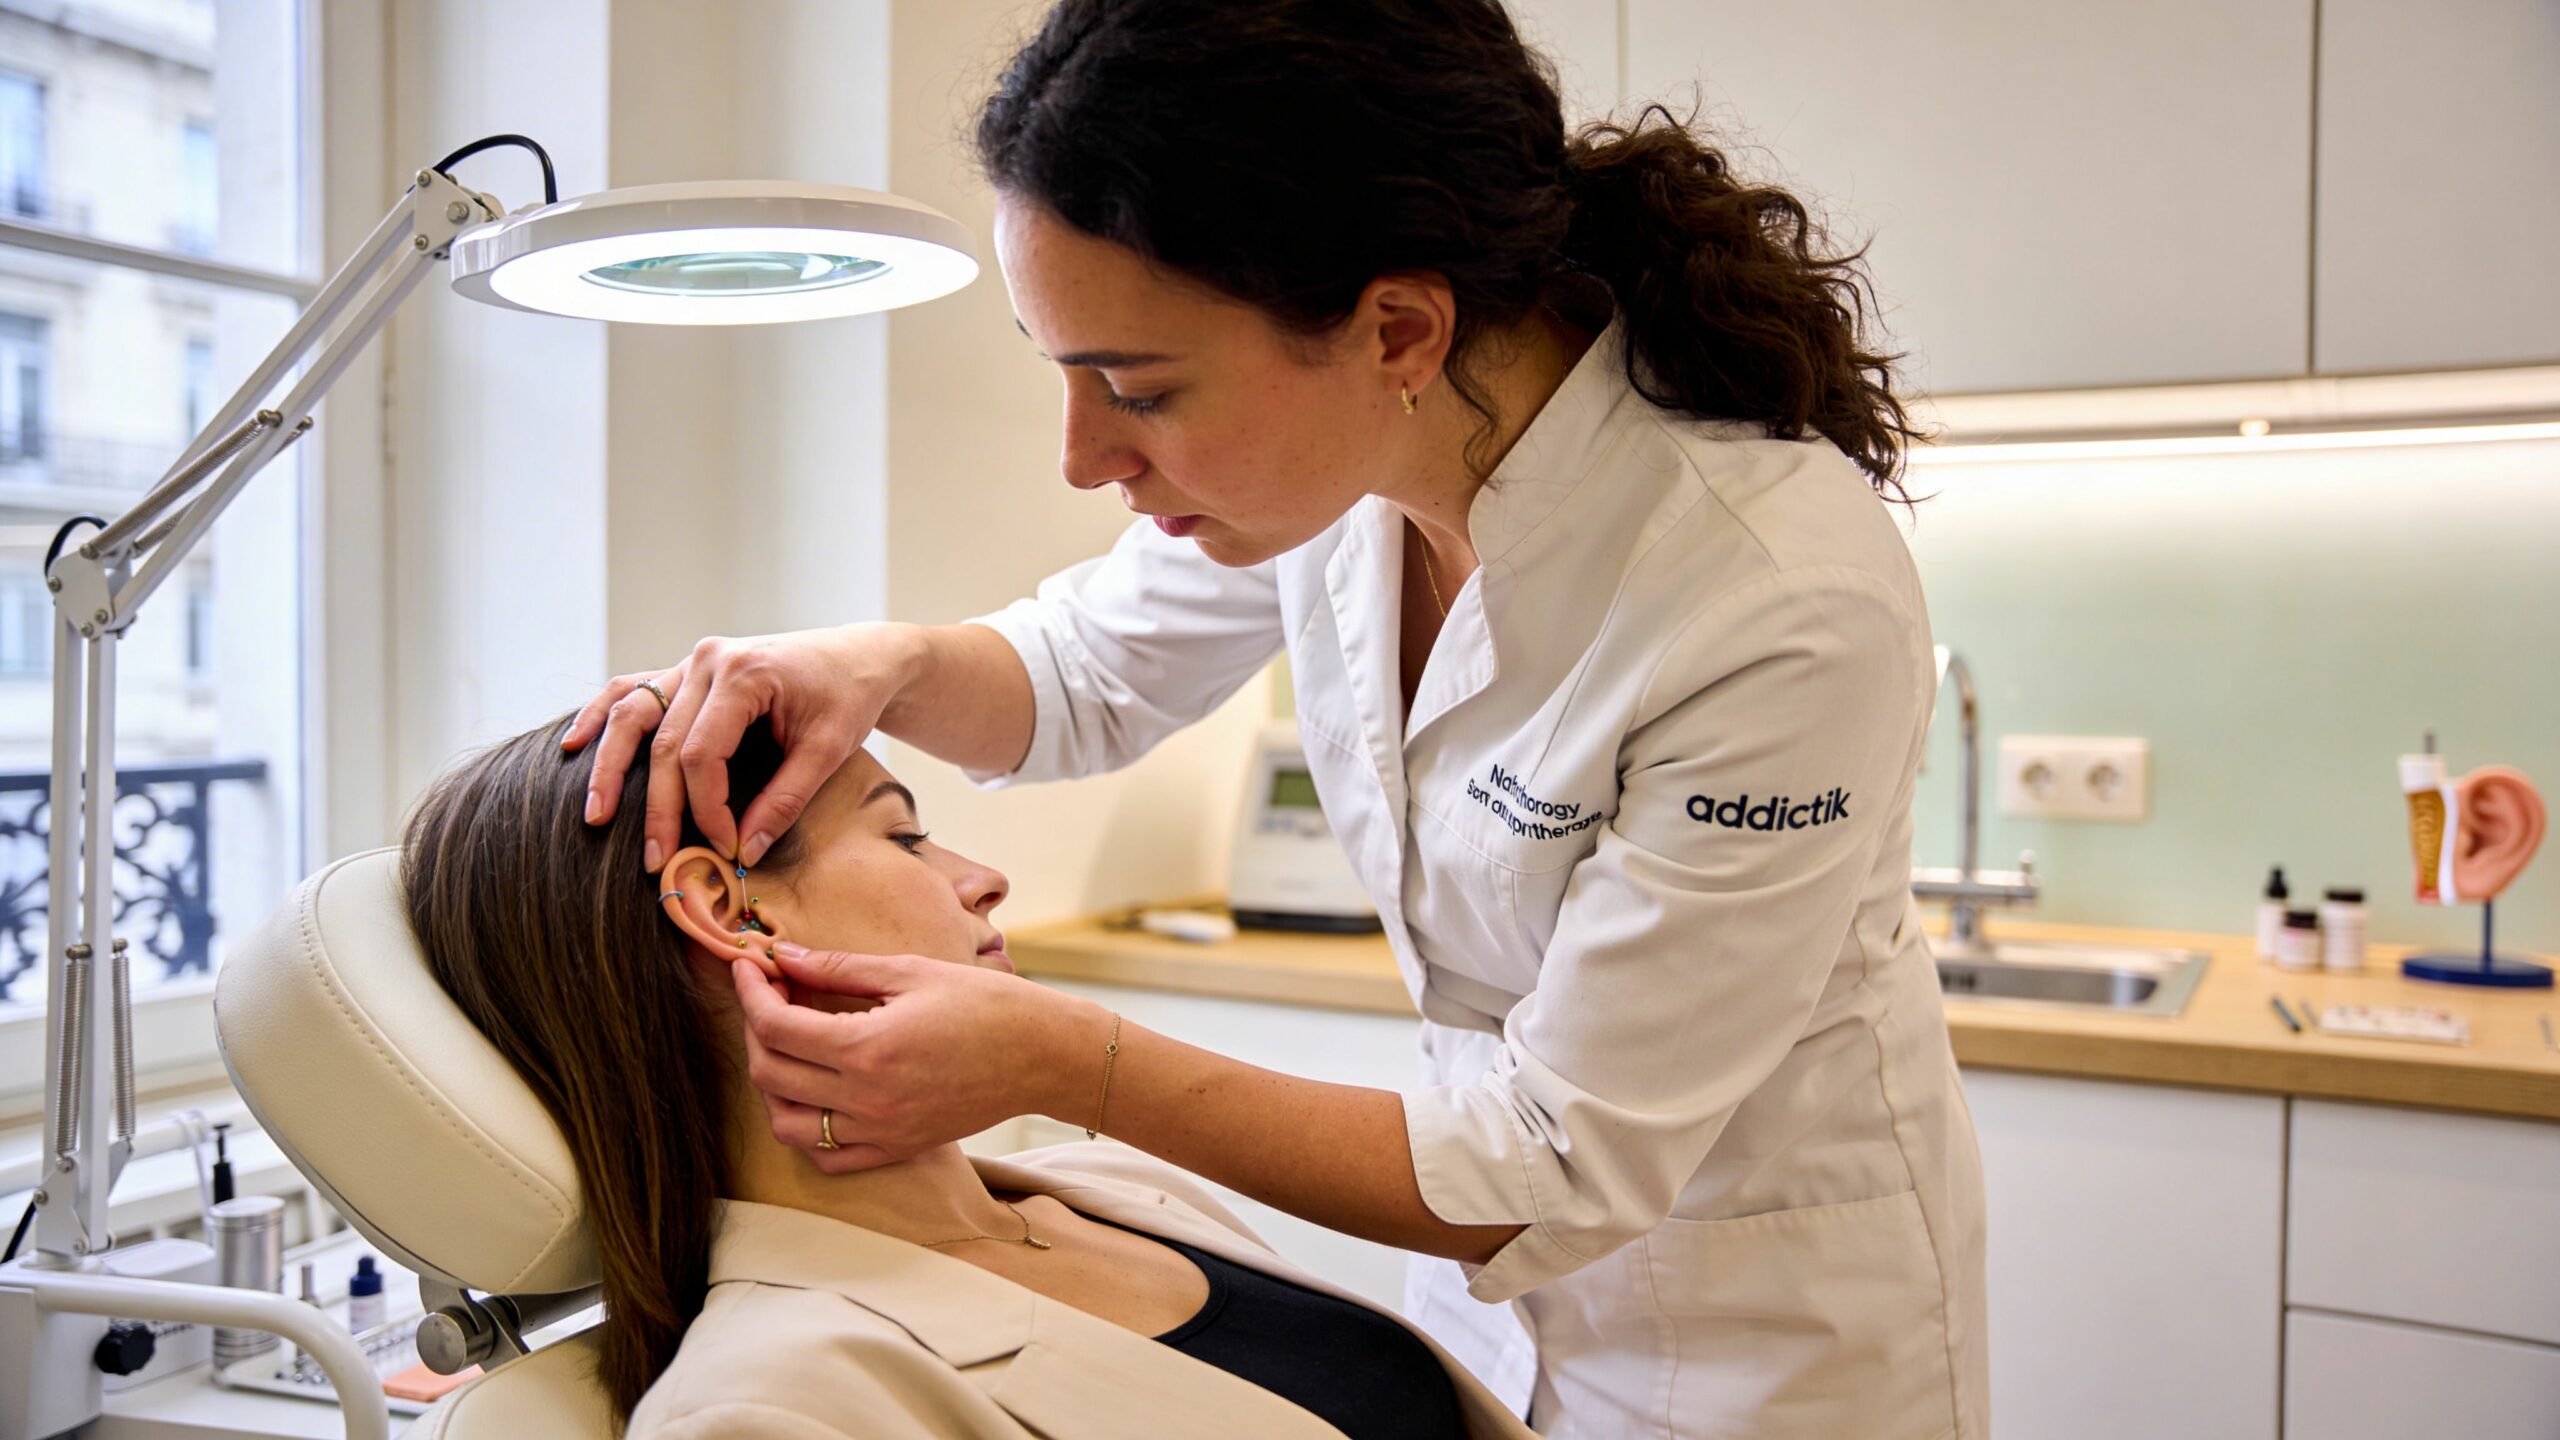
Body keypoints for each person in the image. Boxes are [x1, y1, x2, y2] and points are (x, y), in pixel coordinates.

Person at [564, 1, 1987, 1433]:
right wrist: (875, 662)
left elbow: (1557, 1163)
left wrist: (1061, 1057)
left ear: (1399, 330)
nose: (1084, 456)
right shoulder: (1351, 464)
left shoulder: (1768, 597)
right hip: (1486, 1313)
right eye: (1064, 371)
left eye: (1139, 388)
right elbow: (1084, 674)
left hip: (1767, 1340)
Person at [402, 715, 1536, 1438]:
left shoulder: (1122, 1189)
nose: (983, 877)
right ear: (725, 908)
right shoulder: (772, 1404)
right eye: (903, 840)